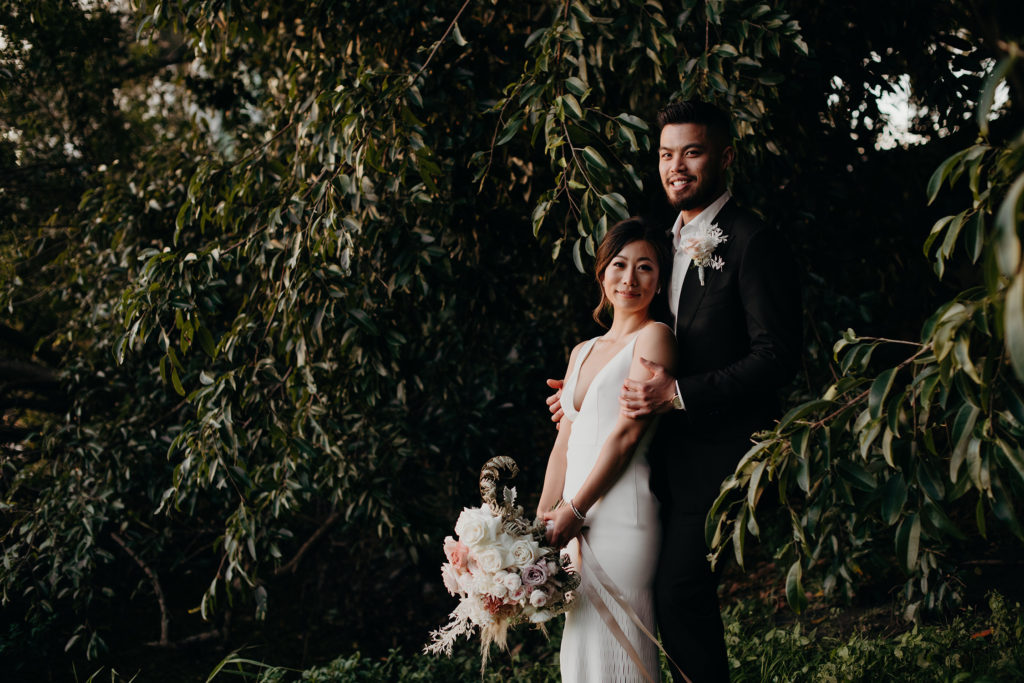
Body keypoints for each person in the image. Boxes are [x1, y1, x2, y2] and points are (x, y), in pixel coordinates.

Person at [546, 100, 802, 682]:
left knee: (680, 594)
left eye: (692, 152)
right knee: (646, 602)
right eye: (666, 154)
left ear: (724, 157)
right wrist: (585, 394)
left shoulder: (753, 241)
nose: (676, 167)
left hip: (717, 458)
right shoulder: (661, 244)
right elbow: (634, 338)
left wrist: (679, 394)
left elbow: (778, 356)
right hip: (650, 460)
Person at [537, 217, 675, 683]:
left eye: (645, 267)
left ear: (660, 280)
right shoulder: (582, 350)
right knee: (582, 655)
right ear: (602, 273)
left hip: (620, 519)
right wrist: (539, 523)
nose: (630, 278)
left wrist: (575, 509)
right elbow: (564, 444)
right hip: (571, 522)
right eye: (619, 264)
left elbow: (626, 436)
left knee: (620, 651)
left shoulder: (654, 337)